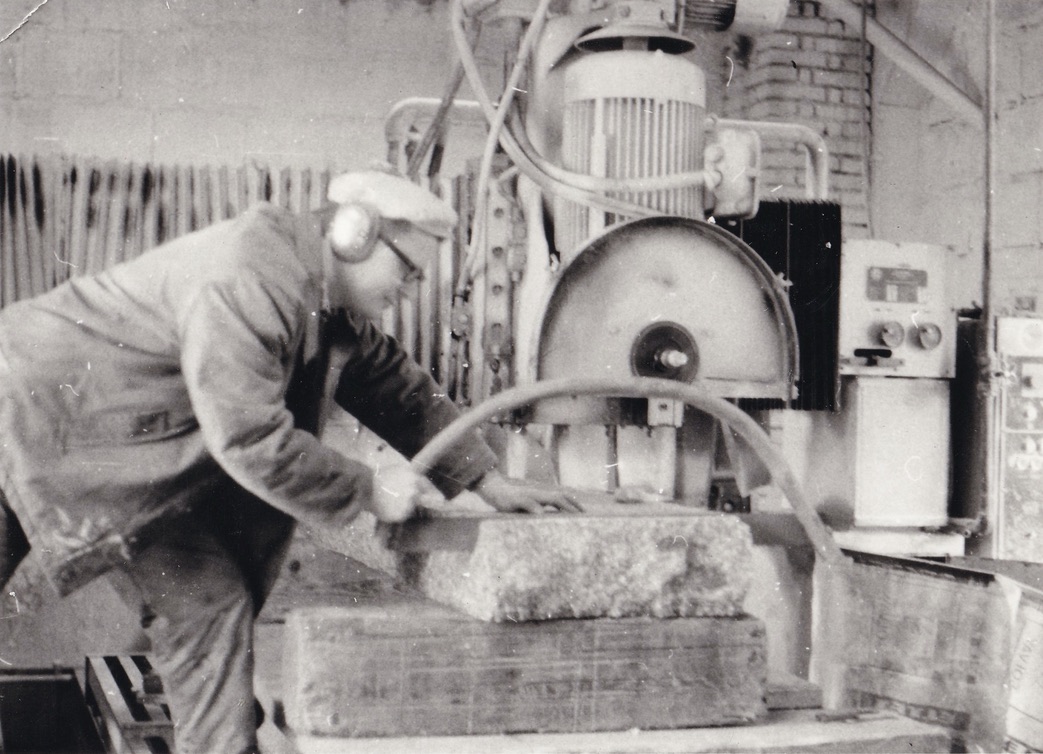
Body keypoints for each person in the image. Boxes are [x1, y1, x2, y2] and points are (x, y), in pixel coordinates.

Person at [0, 170, 579, 754]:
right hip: (24, 412)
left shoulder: (320, 297)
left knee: (210, 606)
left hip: (109, 450)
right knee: (206, 605)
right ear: (355, 235)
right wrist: (369, 489)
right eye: (407, 271)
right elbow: (248, 438)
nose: (410, 290)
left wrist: (486, 479)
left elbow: (392, 383)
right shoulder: (250, 276)